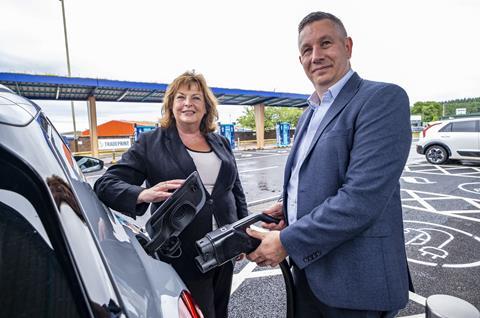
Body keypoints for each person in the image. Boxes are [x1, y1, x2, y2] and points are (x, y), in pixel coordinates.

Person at [246, 11, 413, 318]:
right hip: (308, 273)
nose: (316, 55)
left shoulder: (382, 99)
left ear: (348, 46)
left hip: (357, 285)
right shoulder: (310, 112)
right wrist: (288, 209)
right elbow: (316, 180)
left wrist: (286, 241)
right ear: (300, 60)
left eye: (326, 43)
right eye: (307, 50)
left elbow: (361, 199)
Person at [94, 71, 248, 318]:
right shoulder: (150, 143)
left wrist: (242, 232)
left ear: (206, 106)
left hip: (224, 245)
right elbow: (106, 184)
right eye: (181, 97)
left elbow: (235, 189)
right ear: (171, 105)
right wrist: (144, 193)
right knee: (198, 312)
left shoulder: (220, 142)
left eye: (196, 98)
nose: (188, 103)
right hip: (183, 251)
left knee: (220, 310)